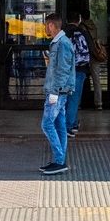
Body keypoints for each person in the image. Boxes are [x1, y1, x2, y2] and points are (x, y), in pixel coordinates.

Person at [38, 13, 77, 176]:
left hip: (57, 92)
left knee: (47, 124)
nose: (45, 28)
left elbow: (62, 70)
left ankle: (59, 160)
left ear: (52, 25)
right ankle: (59, 161)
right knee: (60, 125)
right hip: (59, 91)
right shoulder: (59, 42)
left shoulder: (62, 43)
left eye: (46, 25)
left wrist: (54, 92)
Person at [63, 12, 91, 137]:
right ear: (79, 20)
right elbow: (90, 48)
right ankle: (69, 126)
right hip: (80, 69)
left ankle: (72, 123)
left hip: (65, 69)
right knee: (74, 99)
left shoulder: (62, 33)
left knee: (65, 98)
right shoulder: (82, 32)